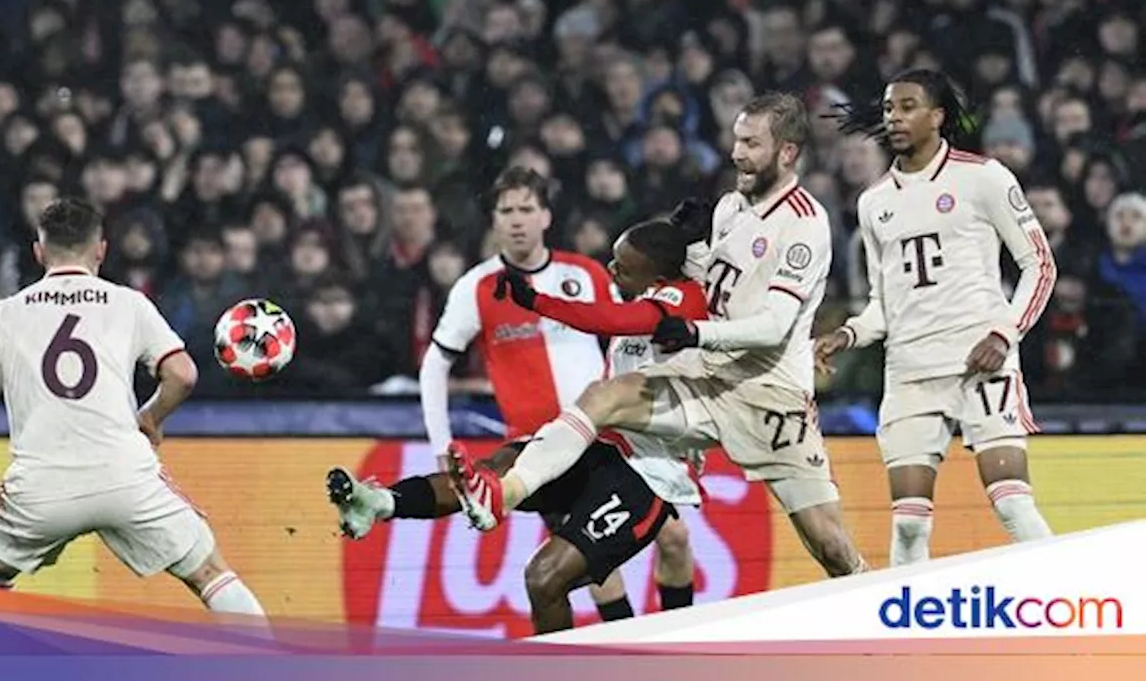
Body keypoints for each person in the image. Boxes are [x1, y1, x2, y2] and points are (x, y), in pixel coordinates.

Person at [448, 94, 871, 579]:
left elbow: (774, 326)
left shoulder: (804, 224)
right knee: (606, 396)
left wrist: (696, 331)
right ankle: (503, 494)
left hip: (770, 398)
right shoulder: (732, 207)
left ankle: (880, 611)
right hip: (710, 379)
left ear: (788, 152)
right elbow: (717, 283)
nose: (737, 153)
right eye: (736, 139)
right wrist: (692, 249)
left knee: (828, 544)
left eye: (752, 143)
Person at [326, 167, 699, 623]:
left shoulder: (586, 273)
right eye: (507, 211)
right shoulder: (478, 286)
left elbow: (639, 325)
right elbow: (436, 364)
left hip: (614, 440)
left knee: (673, 542)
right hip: (545, 448)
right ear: (494, 221)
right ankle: (383, 503)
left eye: (527, 208)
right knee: (592, 574)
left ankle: (674, 647)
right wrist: (440, 442)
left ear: (546, 215)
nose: (517, 220)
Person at [0, 197, 267, 623]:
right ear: (101, 250)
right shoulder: (130, 303)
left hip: (41, 487)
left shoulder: (6, 311)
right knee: (211, 574)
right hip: (124, 476)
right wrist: (151, 418)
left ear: (38, 252)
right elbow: (182, 374)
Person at [815, 68, 1056, 566]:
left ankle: (1072, 607)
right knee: (907, 526)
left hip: (980, 363)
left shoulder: (983, 177)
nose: (894, 118)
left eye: (907, 107)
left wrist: (1003, 333)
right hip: (910, 373)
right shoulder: (874, 202)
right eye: (888, 109)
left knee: (1012, 505)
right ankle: (911, 639)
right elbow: (885, 302)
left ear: (938, 116)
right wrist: (849, 332)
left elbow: (1040, 265)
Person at [491, 218, 711, 631]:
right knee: (589, 560)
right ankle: (627, 647)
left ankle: (674, 642)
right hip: (587, 435)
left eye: (622, 266)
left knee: (674, 541)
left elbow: (612, 319)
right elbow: (611, 318)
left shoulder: (662, 296)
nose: (611, 271)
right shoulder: (618, 289)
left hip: (651, 447)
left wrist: (539, 302)